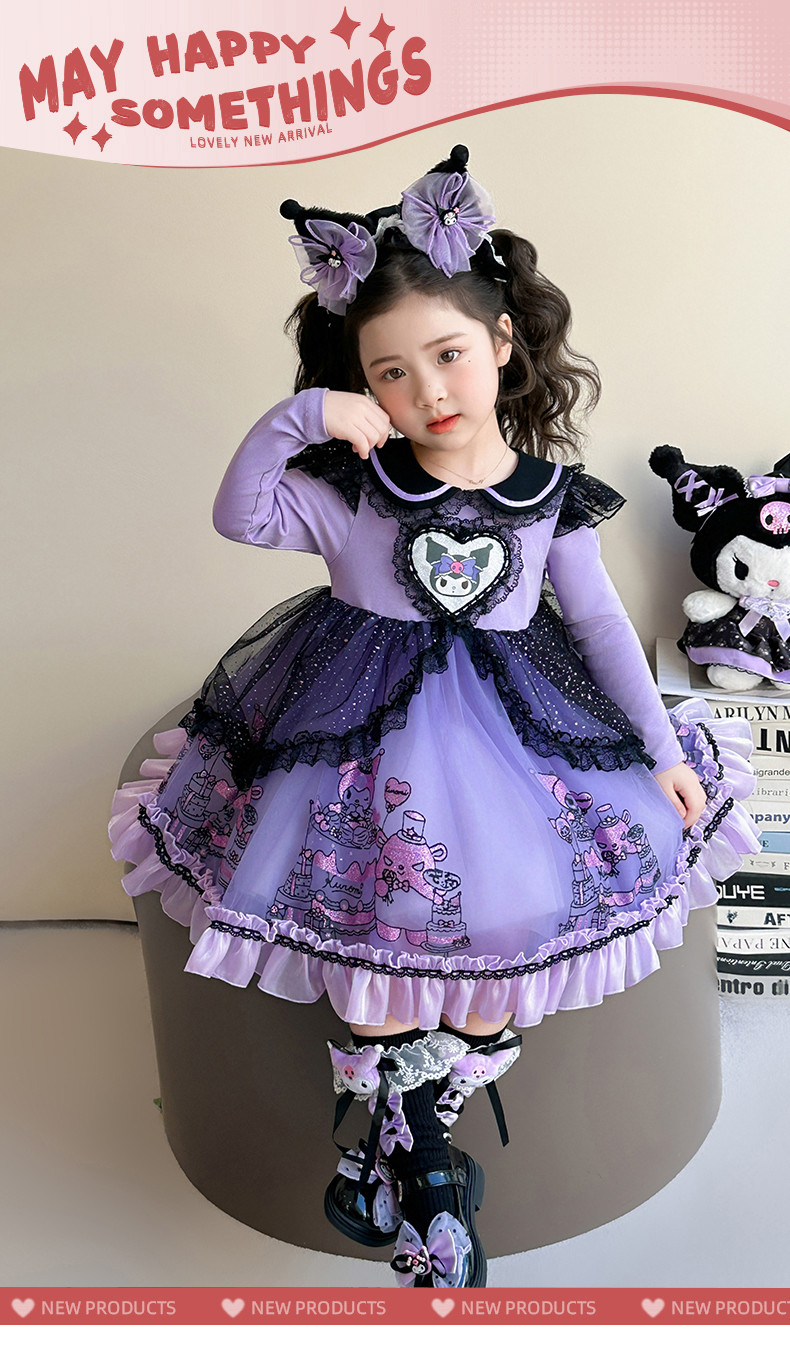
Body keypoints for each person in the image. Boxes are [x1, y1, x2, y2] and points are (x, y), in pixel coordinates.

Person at [109, 145, 757, 1289]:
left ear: (502, 343)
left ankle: (417, 1131)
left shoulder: (547, 499)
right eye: (390, 372)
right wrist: (299, 416)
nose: (427, 390)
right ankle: (417, 1162)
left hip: (514, 725)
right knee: (369, 904)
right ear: (362, 386)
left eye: (448, 353)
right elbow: (241, 514)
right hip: (352, 723)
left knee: (509, 913)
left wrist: (658, 748)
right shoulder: (351, 489)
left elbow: (601, 627)